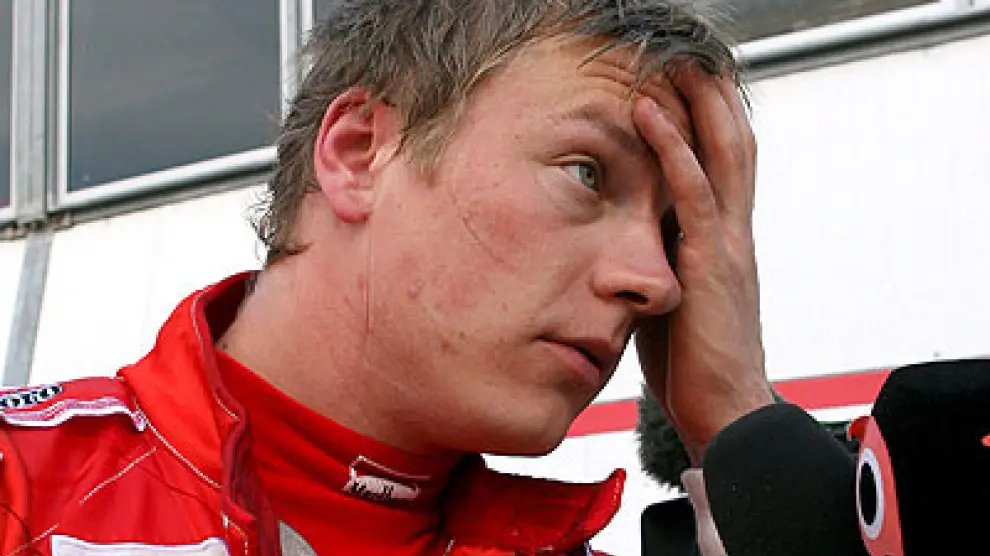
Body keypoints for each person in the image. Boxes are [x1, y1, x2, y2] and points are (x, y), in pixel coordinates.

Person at [0, 1, 777, 555]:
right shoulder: (21, 492)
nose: (657, 282)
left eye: (672, 233)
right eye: (587, 172)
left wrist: (739, 428)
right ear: (358, 154)